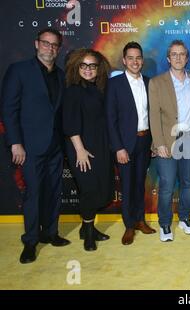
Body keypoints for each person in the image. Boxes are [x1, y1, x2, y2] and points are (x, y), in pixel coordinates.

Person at [1, 28, 70, 264]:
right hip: (29, 147)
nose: (50, 48)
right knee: (33, 194)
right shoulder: (19, 71)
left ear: (59, 49)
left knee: (53, 192)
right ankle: (30, 241)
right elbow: (9, 110)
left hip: (55, 146)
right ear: (36, 44)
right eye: (46, 43)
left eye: (54, 45)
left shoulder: (61, 76)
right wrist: (15, 143)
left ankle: (50, 233)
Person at [63, 48, 114, 251]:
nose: (88, 69)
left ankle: (87, 228)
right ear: (77, 67)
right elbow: (69, 124)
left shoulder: (102, 88)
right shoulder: (73, 90)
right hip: (81, 147)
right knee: (89, 190)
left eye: (92, 65)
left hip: (101, 146)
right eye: (83, 65)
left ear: (98, 68)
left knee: (102, 190)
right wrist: (80, 150)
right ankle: (88, 235)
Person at [106, 42, 156, 246]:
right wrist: (118, 147)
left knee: (139, 184)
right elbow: (110, 119)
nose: (135, 62)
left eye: (138, 58)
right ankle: (129, 226)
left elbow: (153, 115)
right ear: (124, 60)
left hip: (145, 141)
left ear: (142, 60)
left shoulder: (149, 82)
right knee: (126, 186)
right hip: (125, 144)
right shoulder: (114, 84)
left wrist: (153, 141)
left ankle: (140, 221)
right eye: (131, 58)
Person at [149, 40, 190, 242]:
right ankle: (165, 223)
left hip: (189, 139)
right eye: (174, 54)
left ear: (187, 58)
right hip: (167, 141)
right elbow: (153, 115)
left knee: (187, 183)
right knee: (168, 185)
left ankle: (185, 218)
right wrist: (159, 143)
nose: (178, 58)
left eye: (182, 54)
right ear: (168, 58)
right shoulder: (157, 82)